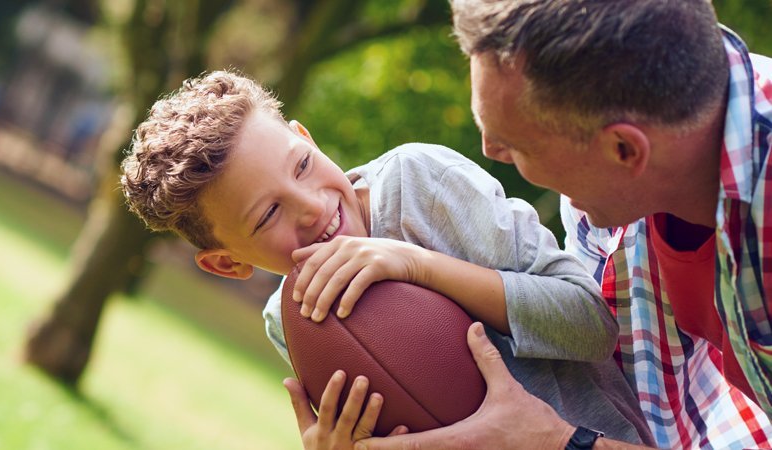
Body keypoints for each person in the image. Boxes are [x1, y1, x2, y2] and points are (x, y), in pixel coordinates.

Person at [120, 70, 654, 449]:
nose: (311, 207)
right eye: (267, 216)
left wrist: (417, 265)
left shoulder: (419, 185)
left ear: (304, 136)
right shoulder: (296, 320)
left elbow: (592, 325)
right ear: (227, 264)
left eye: (302, 165)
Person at [339, 0, 772, 449]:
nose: (489, 150)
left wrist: (563, 442)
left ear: (624, 150)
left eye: (516, 145)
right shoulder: (612, 197)